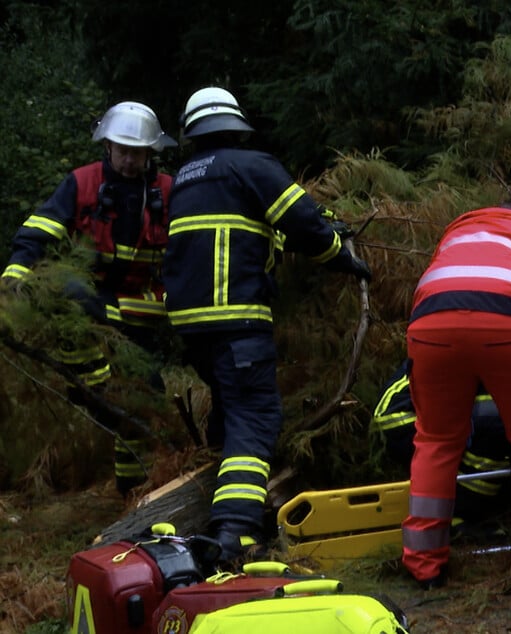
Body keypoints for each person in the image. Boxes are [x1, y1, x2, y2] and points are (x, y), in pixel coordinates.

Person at [162, 86, 372, 565]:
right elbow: (300, 221)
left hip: (192, 328)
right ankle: (232, 533)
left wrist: (323, 227)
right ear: (237, 128)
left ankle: (217, 504)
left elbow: (252, 230)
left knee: (230, 410)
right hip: (238, 320)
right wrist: (339, 255)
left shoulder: (185, 182)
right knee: (255, 418)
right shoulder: (251, 165)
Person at [401, 199, 511, 589]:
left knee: (435, 441)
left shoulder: (455, 233)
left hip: (431, 328)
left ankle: (423, 565)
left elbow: (434, 291)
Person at [2, 101, 177, 495]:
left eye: (138, 152)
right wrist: (14, 277)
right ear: (108, 147)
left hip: (142, 309)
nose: (131, 161)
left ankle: (132, 489)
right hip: (88, 301)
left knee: (145, 398)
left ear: (152, 152)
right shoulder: (81, 183)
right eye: (123, 151)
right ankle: (94, 387)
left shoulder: (168, 192)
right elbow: (38, 232)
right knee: (68, 291)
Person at [371, 360, 511, 538]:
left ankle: (462, 511)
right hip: (405, 424)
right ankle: (459, 513)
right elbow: (390, 417)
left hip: (440, 424)